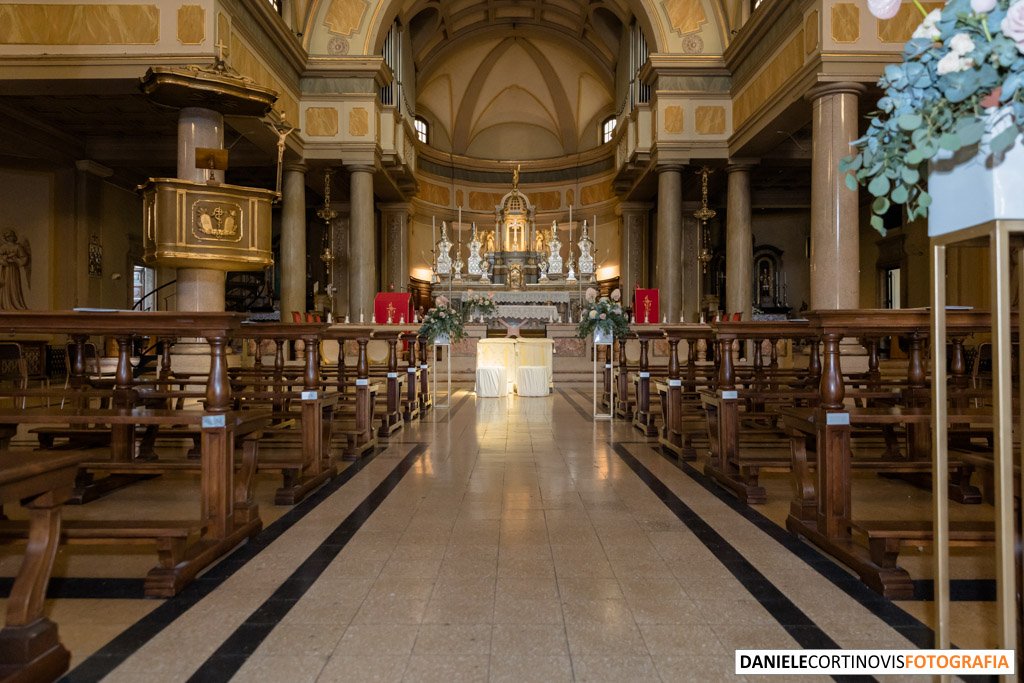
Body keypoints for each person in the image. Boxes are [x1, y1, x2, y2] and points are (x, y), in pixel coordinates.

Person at [0, 230, 31, 310]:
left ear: (14, 237)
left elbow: (24, 258)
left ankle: (15, 303)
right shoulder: (3, 247)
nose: (10, 238)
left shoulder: (18, 247)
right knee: (5, 285)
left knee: (14, 286)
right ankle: (5, 303)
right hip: (6, 270)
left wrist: (16, 260)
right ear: (6, 238)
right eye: (8, 236)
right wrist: (5, 259)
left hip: (14, 269)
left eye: (11, 236)